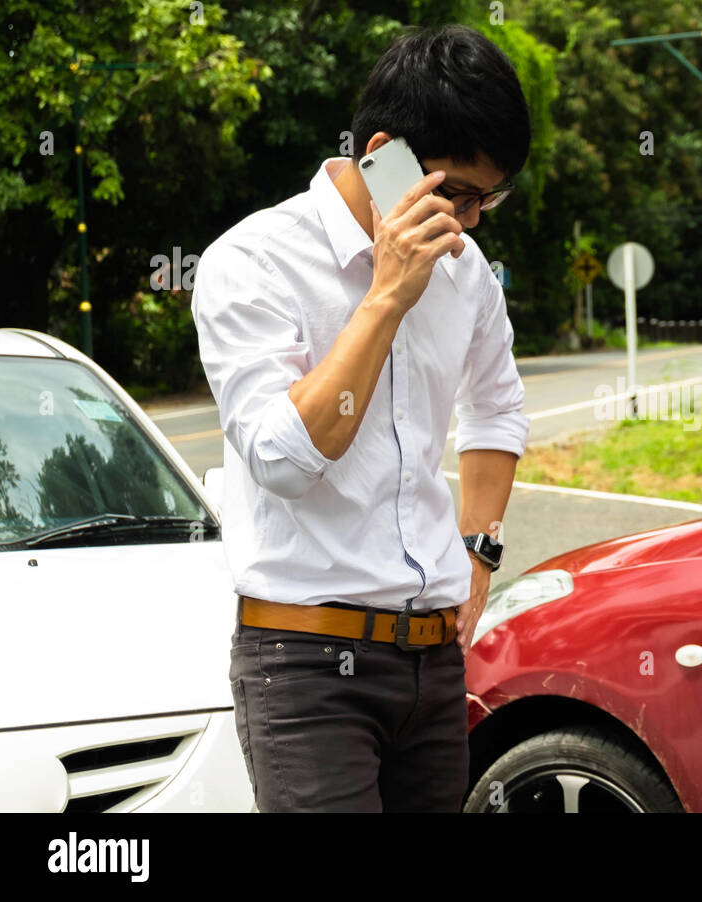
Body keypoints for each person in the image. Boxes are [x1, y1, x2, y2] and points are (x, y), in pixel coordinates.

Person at [191, 24, 532, 812]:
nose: (473, 221)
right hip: (306, 664)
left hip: (432, 662)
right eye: (460, 194)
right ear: (384, 152)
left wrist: (478, 553)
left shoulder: (467, 271)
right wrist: (386, 296)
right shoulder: (252, 262)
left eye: (490, 197)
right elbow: (282, 458)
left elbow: (498, 406)